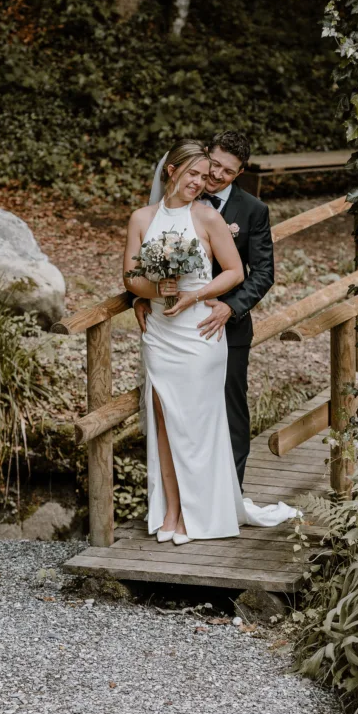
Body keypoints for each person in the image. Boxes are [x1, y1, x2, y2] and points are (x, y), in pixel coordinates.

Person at [123, 139, 295, 544]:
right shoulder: (143, 217)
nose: (206, 180)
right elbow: (131, 276)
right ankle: (172, 511)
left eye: (216, 173)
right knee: (166, 425)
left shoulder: (229, 214)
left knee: (207, 424)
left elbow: (249, 272)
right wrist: (146, 293)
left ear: (236, 175)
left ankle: (203, 511)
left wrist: (213, 302)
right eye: (201, 171)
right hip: (163, 335)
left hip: (207, 329)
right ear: (173, 170)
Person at [134, 131, 274, 489]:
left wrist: (231, 307)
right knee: (180, 412)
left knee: (230, 412)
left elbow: (263, 273)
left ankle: (230, 495)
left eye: (227, 172)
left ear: (240, 173)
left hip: (227, 324)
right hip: (174, 323)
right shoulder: (177, 198)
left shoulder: (253, 210)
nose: (215, 176)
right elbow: (147, 252)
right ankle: (183, 494)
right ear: (205, 156)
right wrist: (142, 296)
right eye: (214, 165)